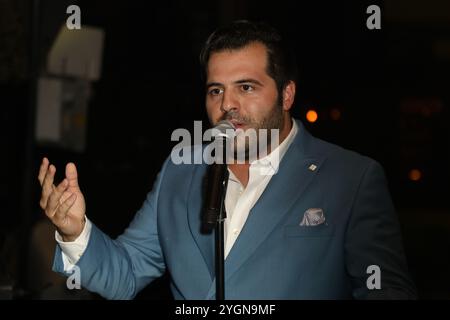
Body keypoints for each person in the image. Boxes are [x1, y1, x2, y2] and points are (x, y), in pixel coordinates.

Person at [38, 20, 417, 299]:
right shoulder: (181, 169)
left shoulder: (350, 177)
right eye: (216, 90)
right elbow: (126, 272)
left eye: (246, 87)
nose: (227, 105)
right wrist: (75, 231)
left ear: (286, 95)